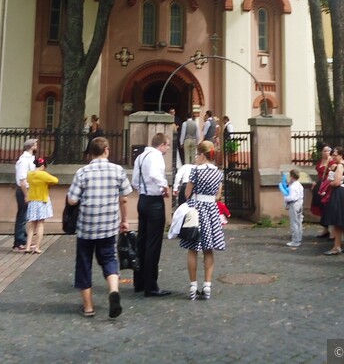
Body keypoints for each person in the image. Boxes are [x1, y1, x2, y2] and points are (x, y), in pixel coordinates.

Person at [66, 136, 131, 319]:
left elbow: (72, 200)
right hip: (109, 225)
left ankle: (88, 307)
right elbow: (124, 198)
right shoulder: (118, 170)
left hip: (86, 226)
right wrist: (124, 221)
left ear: (90, 153)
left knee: (84, 264)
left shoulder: (82, 172)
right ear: (107, 150)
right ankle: (113, 290)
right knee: (110, 259)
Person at [180, 140, 226, 300]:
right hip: (211, 211)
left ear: (201, 154)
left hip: (196, 210)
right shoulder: (218, 173)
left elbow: (187, 193)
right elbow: (218, 195)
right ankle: (207, 286)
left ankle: (193, 286)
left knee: (192, 248)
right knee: (208, 249)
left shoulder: (196, 171)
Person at [132, 132, 171, 297]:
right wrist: (165, 186)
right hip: (154, 202)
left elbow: (134, 181)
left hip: (142, 199)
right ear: (161, 145)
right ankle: (151, 285)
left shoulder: (140, 157)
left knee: (142, 241)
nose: (168, 148)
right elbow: (155, 175)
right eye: (167, 145)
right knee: (153, 244)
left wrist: (143, 189)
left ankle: (139, 281)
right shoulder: (156, 156)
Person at [322, 147, 344, 256]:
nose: (333, 157)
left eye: (335, 155)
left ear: (341, 155)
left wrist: (327, 184)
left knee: (337, 220)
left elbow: (337, 182)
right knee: (343, 220)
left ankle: (337, 246)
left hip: (339, 193)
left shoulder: (340, 166)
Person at [25, 157, 58, 254]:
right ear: (43, 166)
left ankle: (27, 247)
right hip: (42, 200)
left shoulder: (30, 174)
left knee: (32, 224)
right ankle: (37, 247)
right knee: (40, 224)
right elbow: (55, 180)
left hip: (32, 200)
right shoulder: (43, 174)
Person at [14, 139, 37, 252]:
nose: (37, 146)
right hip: (24, 189)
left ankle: (23, 239)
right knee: (22, 216)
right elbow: (22, 180)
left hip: (28, 189)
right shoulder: (23, 161)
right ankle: (19, 241)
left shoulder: (30, 159)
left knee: (25, 216)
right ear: (31, 146)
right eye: (36, 144)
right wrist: (26, 195)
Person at [313, 145, 333, 230]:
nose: (326, 152)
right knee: (320, 205)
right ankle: (325, 229)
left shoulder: (332, 162)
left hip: (326, 185)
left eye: (328, 150)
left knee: (326, 206)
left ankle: (328, 228)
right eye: (325, 151)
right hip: (319, 184)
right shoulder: (320, 161)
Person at [282, 169, 304, 247]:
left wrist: (285, 197)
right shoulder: (299, 185)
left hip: (294, 204)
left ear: (291, 176)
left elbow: (292, 197)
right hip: (300, 203)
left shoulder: (293, 186)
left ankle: (295, 240)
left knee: (294, 222)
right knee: (298, 221)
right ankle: (299, 237)